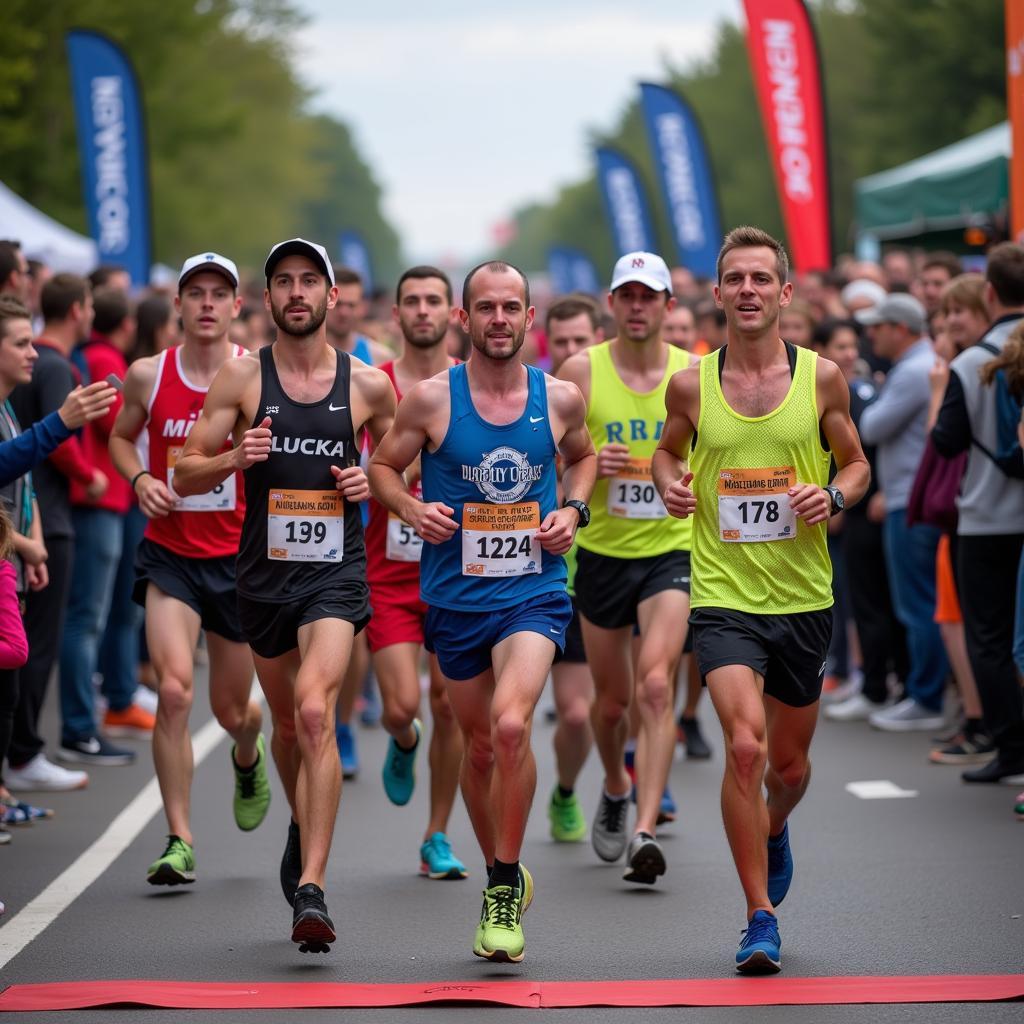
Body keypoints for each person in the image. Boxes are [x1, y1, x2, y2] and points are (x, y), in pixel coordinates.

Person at [652, 226, 869, 973]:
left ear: (783, 293)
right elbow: (666, 450)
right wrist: (667, 484)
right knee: (744, 747)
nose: (746, 290)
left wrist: (833, 493)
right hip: (722, 594)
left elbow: (859, 465)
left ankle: (774, 829)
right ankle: (758, 916)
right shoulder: (692, 385)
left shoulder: (824, 379)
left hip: (805, 595)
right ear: (717, 295)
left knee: (788, 769)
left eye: (759, 279)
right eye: (733, 279)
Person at [369, 260, 595, 964]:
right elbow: (381, 468)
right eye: (486, 308)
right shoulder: (431, 401)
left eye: (511, 308)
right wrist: (410, 505)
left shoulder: (558, 399)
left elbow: (583, 460)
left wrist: (573, 509)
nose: (499, 319)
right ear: (465, 320)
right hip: (455, 600)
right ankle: (503, 864)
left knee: (508, 724)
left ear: (531, 318)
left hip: (533, 590)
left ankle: (500, 886)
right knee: (474, 743)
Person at [173, 238, 396, 953]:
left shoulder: (367, 386)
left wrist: (374, 485)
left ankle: (314, 887)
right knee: (290, 727)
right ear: (268, 299)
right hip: (262, 578)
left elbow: (404, 467)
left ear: (333, 297)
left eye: (310, 281)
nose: (297, 292)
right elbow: (182, 473)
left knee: (313, 706)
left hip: (335, 574)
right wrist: (234, 457)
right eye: (283, 282)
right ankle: (303, 821)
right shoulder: (241, 380)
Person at [109, 252, 271, 886]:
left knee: (236, 710)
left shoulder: (258, 376)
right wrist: (143, 477)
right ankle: (179, 836)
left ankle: (246, 752)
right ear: (176, 305)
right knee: (173, 692)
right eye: (195, 292)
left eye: (219, 294)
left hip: (237, 561)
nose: (207, 303)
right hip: (170, 554)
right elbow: (122, 437)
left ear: (236, 307)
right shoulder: (148, 375)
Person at [558, 251, 692, 886]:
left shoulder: (694, 375)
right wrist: (587, 471)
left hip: (673, 550)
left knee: (657, 686)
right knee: (610, 706)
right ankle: (613, 782)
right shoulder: (581, 372)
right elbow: (548, 463)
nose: (638, 307)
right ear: (612, 304)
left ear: (668, 306)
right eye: (627, 296)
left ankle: (643, 825)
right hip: (603, 554)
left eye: (650, 296)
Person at [362, 265, 467, 879]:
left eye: (434, 301)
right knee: (403, 707)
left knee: (449, 706)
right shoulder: (373, 388)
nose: (423, 311)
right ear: (395, 314)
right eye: (412, 302)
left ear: (453, 313)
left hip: (458, 568)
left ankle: (437, 834)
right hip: (391, 573)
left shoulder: (472, 384)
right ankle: (403, 741)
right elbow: (354, 460)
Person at [5, 274, 103, 793]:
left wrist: (32, 538)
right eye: (20, 343)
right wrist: (67, 432)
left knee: (26, 652)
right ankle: (22, 758)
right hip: (27, 541)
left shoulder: (9, 403)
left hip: (32, 538)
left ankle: (17, 766)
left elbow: (23, 479)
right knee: (31, 651)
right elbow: (13, 461)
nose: (31, 352)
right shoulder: (55, 368)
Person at [931, 242, 1024, 784]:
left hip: (987, 515)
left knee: (987, 638)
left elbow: (945, 443)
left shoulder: (970, 362)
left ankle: (1011, 749)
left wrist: (943, 389)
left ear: (989, 293)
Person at [58, 288, 146, 764]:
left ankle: (100, 711)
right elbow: (112, 425)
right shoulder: (101, 359)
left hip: (108, 498)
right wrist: (87, 474)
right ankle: (79, 727)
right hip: (99, 499)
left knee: (100, 613)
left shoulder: (94, 356)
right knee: (87, 617)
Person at [857, 293, 949, 731]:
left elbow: (872, 426)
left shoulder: (913, 370)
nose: (871, 334)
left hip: (912, 503)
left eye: (879, 326)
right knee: (921, 602)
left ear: (902, 329)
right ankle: (922, 692)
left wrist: (873, 395)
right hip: (908, 497)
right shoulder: (916, 367)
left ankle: (926, 697)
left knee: (918, 604)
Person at [543, 296, 601, 841]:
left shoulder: (622, 390)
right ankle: (564, 791)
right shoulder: (535, 400)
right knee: (575, 713)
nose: (568, 352)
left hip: (618, 566)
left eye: (578, 341)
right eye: (558, 342)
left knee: (624, 699)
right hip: (551, 572)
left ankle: (618, 783)